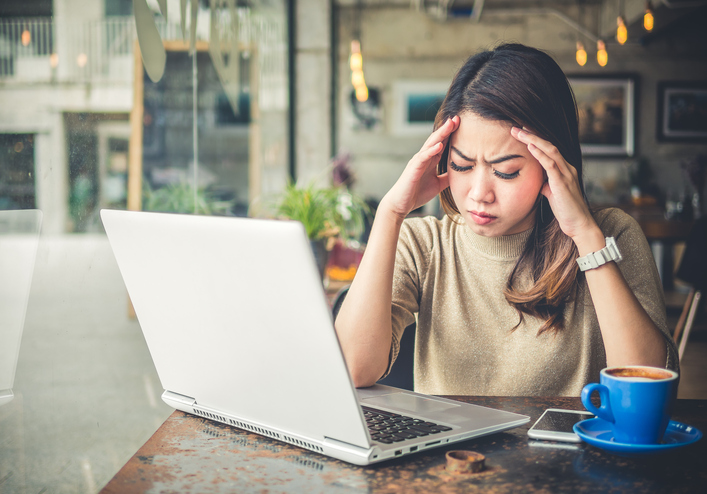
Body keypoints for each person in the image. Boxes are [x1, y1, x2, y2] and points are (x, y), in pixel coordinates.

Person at [334, 43, 678, 397]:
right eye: (462, 165)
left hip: (566, 453)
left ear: (553, 163)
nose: (479, 193)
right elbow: (353, 368)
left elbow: (647, 385)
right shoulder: (423, 244)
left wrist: (585, 235)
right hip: (452, 454)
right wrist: (390, 213)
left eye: (506, 171)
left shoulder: (611, 235)